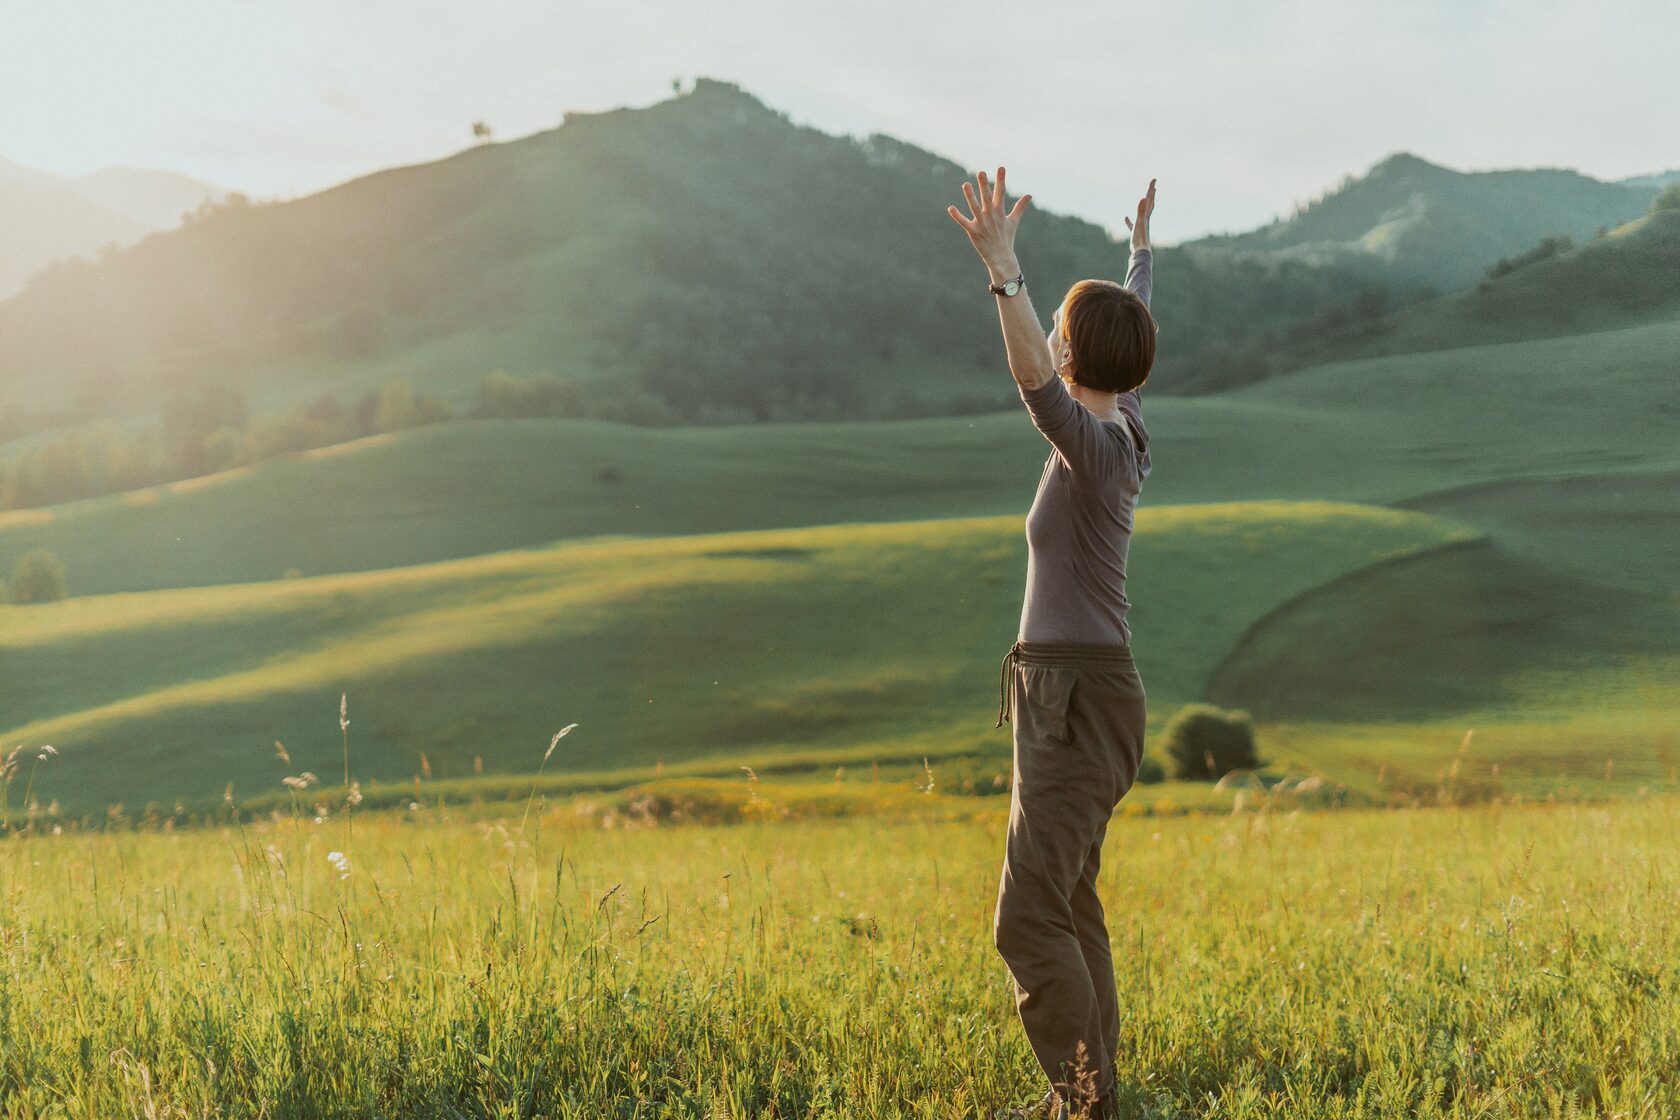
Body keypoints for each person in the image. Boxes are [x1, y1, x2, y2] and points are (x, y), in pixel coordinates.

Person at [947, 168, 1158, 1120]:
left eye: (1067, 335)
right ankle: (1092, 1094)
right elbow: (1120, 338)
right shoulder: (1125, 424)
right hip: (1073, 696)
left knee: (1027, 921)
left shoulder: (1092, 442)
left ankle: (1086, 1107)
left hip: (1076, 701)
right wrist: (1138, 257)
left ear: (1075, 351)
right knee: (1071, 904)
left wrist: (1005, 274)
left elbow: (1035, 381)